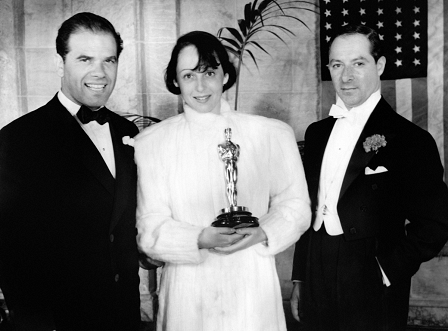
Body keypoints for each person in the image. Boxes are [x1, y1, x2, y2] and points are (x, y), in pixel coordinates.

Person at [135, 31, 311, 331]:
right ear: (175, 81)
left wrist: (263, 232)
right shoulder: (152, 142)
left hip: (251, 287)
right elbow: (149, 229)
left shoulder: (270, 134)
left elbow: (296, 206)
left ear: (225, 75)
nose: (201, 86)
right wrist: (199, 239)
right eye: (189, 75)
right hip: (188, 292)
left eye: (210, 72)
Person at [290, 24, 448, 331]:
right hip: (316, 267)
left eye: (358, 64)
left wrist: (386, 270)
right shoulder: (317, 133)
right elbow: (307, 207)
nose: (346, 77)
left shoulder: (410, 139)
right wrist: (301, 277)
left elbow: (437, 221)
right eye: (337, 65)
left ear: (380, 65)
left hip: (370, 271)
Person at [0, 12, 141, 331]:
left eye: (109, 60)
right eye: (85, 59)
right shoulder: (19, 139)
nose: (100, 73)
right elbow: (9, 252)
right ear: (60, 63)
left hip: (125, 317)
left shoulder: (126, 130)